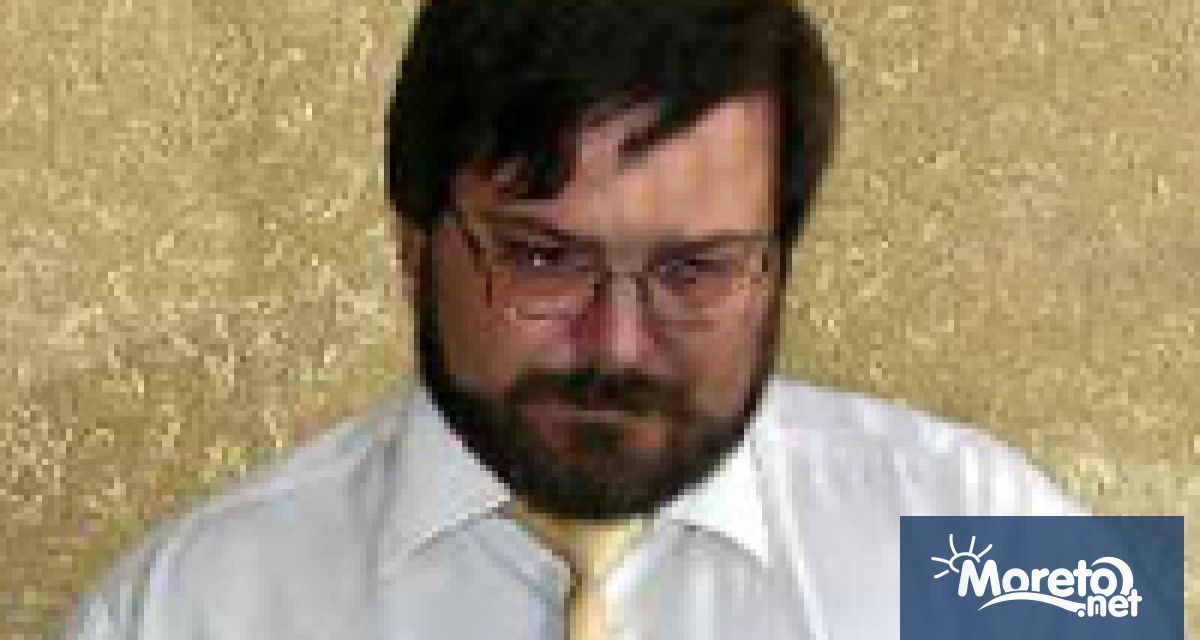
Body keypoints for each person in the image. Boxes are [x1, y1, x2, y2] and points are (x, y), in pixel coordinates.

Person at [61, 0, 1082, 638]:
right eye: (544, 260)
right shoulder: (181, 610)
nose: (617, 346)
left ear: (778, 261)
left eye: (695, 269)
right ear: (414, 247)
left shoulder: (991, 528)